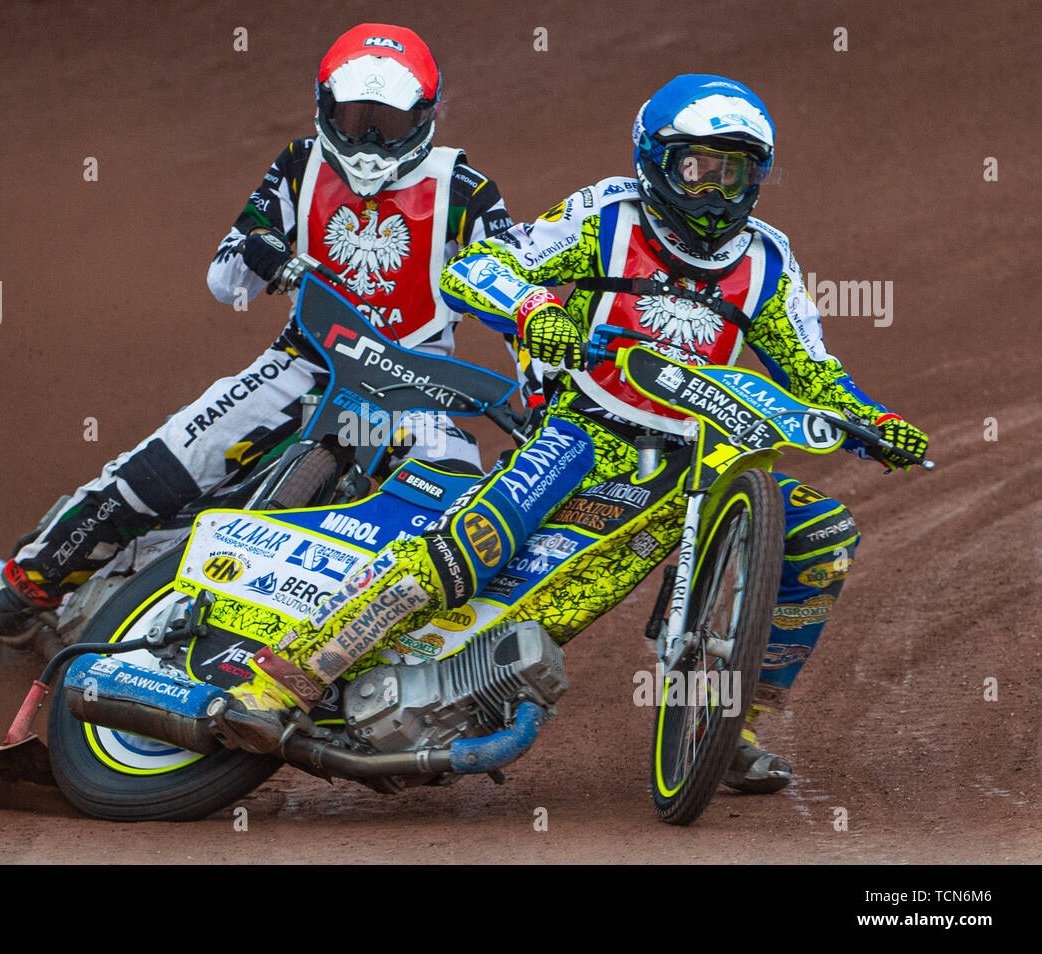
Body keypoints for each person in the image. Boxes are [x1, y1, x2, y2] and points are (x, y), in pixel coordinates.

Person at [212, 74, 929, 794]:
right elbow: (480, 265)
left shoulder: (770, 262)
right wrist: (532, 309)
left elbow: (814, 371)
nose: (714, 188)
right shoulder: (606, 215)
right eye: (697, 168)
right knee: (476, 547)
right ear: (655, 159)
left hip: (693, 458)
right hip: (583, 428)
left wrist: (877, 422)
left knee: (823, 534)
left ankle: (727, 720)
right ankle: (291, 677)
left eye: (732, 170)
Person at [0, 24, 526, 651]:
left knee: (465, 504)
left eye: (384, 121)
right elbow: (225, 280)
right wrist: (265, 254)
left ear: (425, 116)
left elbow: (518, 293)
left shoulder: (465, 189)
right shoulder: (299, 165)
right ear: (324, 107)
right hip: (307, 362)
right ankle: (19, 585)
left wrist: (536, 376)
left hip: (414, 386)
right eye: (354, 119)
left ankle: (406, 657)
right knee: (172, 460)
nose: (368, 140)